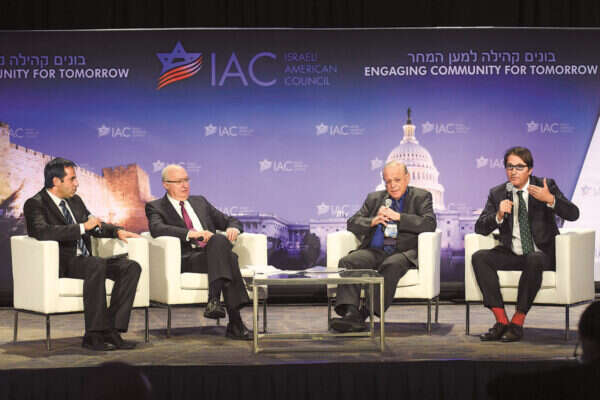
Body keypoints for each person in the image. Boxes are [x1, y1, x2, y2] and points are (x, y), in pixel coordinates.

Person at [23, 157, 141, 351]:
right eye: (72, 179)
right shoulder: (35, 204)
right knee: (96, 264)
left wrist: (116, 231)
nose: (77, 183)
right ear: (56, 181)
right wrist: (81, 227)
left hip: (88, 261)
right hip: (63, 262)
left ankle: (112, 330)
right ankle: (93, 335)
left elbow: (94, 225)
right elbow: (42, 231)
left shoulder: (75, 201)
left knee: (131, 267)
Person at [472, 146, 579, 342]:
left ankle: (517, 322)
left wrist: (550, 199)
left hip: (541, 254)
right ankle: (501, 321)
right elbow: (480, 227)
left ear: (530, 169)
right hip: (512, 253)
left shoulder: (545, 186)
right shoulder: (498, 193)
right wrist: (498, 215)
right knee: (480, 258)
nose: (513, 171)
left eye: (519, 167)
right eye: (509, 167)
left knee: (534, 258)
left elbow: (573, 214)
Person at [145, 164, 252, 340]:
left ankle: (214, 302)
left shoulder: (199, 202)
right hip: (188, 258)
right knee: (230, 257)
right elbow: (157, 229)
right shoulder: (155, 206)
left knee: (219, 242)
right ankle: (235, 322)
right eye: (179, 182)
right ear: (165, 184)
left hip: (212, 256)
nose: (185, 185)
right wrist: (192, 234)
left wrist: (233, 227)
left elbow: (230, 220)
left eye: (186, 180)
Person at [331, 160, 437, 333]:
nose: (392, 185)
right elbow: (352, 223)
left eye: (397, 180)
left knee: (391, 265)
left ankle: (363, 314)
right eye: (388, 181)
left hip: (402, 252)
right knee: (349, 261)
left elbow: (429, 224)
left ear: (407, 178)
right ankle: (350, 313)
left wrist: (399, 217)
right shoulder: (374, 198)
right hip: (375, 250)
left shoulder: (421, 197)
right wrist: (372, 221)